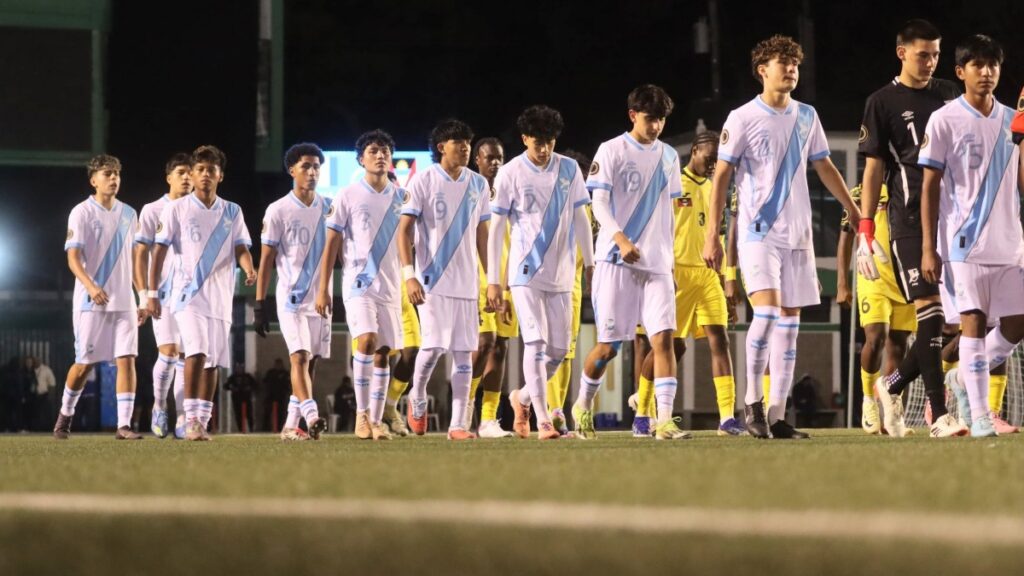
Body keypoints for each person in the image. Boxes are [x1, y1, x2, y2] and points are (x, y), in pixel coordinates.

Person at [702, 35, 861, 440]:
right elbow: (721, 177)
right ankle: (751, 404)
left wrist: (853, 208)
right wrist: (713, 236)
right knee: (768, 315)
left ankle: (776, 415)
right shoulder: (741, 118)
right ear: (762, 70)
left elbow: (824, 166)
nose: (790, 70)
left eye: (794, 64)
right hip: (758, 234)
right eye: (781, 63)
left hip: (799, 237)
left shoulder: (807, 115)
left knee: (791, 326)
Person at [855, 19, 962, 438]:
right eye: (923, 54)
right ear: (902, 52)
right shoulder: (881, 102)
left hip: (953, 218)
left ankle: (893, 385)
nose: (931, 62)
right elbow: (873, 169)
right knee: (929, 311)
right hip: (910, 222)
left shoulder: (950, 95)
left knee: (945, 324)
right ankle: (939, 414)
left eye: (936, 54)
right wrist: (865, 229)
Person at [919, 33, 1024, 438]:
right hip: (962, 244)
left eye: (993, 64)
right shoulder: (944, 119)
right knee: (973, 325)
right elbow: (930, 185)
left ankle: (962, 377)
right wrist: (929, 246)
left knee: (1017, 324)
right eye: (978, 65)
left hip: (1008, 242)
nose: (987, 72)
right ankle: (980, 416)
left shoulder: (1012, 119)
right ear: (960, 72)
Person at [571, 84, 689, 440]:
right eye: (650, 118)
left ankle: (664, 419)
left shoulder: (669, 156)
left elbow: (668, 212)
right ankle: (582, 404)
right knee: (609, 347)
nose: (656, 126)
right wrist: (621, 239)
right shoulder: (611, 150)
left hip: (656, 265)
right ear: (633, 115)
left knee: (664, 340)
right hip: (615, 260)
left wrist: (670, 262)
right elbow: (599, 204)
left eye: (662, 120)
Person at [487, 105, 594, 441]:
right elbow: (497, 228)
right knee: (535, 342)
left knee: (560, 351)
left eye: (549, 142)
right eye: (538, 143)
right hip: (525, 273)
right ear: (524, 139)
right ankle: (543, 420)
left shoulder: (569, 170)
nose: (544, 149)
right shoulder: (510, 173)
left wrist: (590, 264)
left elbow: (581, 218)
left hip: (562, 275)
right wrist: (494, 279)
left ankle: (520, 398)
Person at [633, 130, 746, 437]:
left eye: (717, 160)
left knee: (719, 339)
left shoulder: (714, 187)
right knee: (670, 346)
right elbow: (658, 229)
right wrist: (661, 269)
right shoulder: (673, 184)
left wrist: (726, 282)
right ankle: (643, 412)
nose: (713, 164)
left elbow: (719, 236)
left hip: (708, 273)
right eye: (709, 158)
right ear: (694, 151)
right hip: (677, 273)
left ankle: (726, 419)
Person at [148, 145, 256, 441]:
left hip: (220, 297)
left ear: (220, 175)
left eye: (211, 169)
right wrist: (151, 292)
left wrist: (248, 267)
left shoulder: (232, 211)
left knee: (214, 360)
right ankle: (189, 417)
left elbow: (240, 246)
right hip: (187, 296)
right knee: (195, 351)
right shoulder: (176, 209)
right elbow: (159, 250)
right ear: (193, 175)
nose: (205, 174)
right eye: (200, 170)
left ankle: (201, 421)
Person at [397, 118, 490, 440]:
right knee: (434, 346)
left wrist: (490, 279)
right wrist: (409, 277)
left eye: (468, 143)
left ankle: (458, 425)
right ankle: (417, 395)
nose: (465, 148)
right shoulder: (422, 181)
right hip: (431, 279)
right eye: (458, 143)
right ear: (441, 148)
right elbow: (404, 230)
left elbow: (482, 233)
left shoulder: (478, 184)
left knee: (465, 352)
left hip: (467, 282)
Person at [317, 130, 405, 441]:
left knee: (383, 352)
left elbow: (411, 242)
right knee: (366, 340)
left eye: (385, 151)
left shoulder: (401, 197)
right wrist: (323, 287)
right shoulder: (348, 195)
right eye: (373, 151)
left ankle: (377, 420)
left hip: (392, 285)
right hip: (358, 282)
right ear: (361, 160)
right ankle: (362, 416)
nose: (380, 156)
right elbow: (331, 243)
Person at [54, 154, 144, 440]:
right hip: (90, 302)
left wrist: (142, 295)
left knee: (126, 359)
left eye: (117, 173)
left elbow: (134, 260)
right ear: (94, 180)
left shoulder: (130, 214)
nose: (114, 178)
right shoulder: (81, 212)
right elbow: (73, 259)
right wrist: (91, 287)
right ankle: (65, 416)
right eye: (108, 173)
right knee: (83, 364)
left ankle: (124, 425)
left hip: (124, 302)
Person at [257, 142, 332, 441]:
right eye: (306, 166)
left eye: (316, 167)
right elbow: (266, 261)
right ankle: (312, 416)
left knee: (310, 361)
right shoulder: (278, 210)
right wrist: (259, 304)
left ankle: (291, 426)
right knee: (298, 356)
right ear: (292, 170)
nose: (312, 172)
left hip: (320, 300)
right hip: (290, 299)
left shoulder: (330, 207)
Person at [837, 184, 914, 435]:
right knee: (876, 338)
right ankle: (868, 402)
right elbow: (846, 237)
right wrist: (842, 284)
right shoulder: (861, 191)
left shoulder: (907, 184)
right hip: (873, 277)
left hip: (903, 278)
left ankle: (892, 408)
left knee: (899, 346)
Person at [134, 152, 193, 438]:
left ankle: (182, 417)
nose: (187, 177)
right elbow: (140, 254)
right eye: (181, 172)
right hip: (162, 293)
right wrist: (145, 295)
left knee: (186, 356)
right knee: (168, 353)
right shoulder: (152, 210)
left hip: (192, 295)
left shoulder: (201, 210)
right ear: (168, 177)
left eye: (190, 172)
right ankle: (159, 406)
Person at [546, 148, 595, 435]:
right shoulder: (549, 200)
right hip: (544, 280)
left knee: (566, 351)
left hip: (574, 283)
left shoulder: (587, 205)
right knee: (545, 347)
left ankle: (554, 411)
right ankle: (545, 408)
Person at [470, 137, 515, 438]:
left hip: (509, 278)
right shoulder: (471, 189)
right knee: (484, 343)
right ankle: (461, 411)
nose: (495, 162)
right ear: (477, 160)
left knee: (501, 347)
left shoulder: (510, 187)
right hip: (480, 277)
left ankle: (488, 420)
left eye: (499, 157)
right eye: (489, 158)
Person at [224, 362, 257, 433]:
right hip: (237, 399)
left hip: (247, 398)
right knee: (238, 415)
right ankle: (241, 430)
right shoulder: (232, 377)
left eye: (240, 368)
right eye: (238, 368)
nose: (239, 369)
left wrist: (249, 388)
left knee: (249, 415)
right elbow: (226, 386)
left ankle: (251, 429)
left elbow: (255, 385)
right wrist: (232, 388)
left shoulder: (248, 376)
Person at [262, 358, 291, 431]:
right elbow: (265, 381)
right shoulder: (271, 372)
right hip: (271, 395)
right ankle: (266, 428)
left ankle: (279, 428)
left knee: (281, 413)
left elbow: (288, 384)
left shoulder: (285, 373)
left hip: (281, 396)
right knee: (267, 413)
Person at [31, 356, 56, 431]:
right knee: (35, 413)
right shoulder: (31, 370)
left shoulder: (46, 370)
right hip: (34, 395)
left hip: (44, 394)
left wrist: (50, 395)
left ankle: (47, 428)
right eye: (34, 361)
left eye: (37, 361)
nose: (36, 362)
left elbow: (52, 383)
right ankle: (36, 428)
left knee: (45, 412)